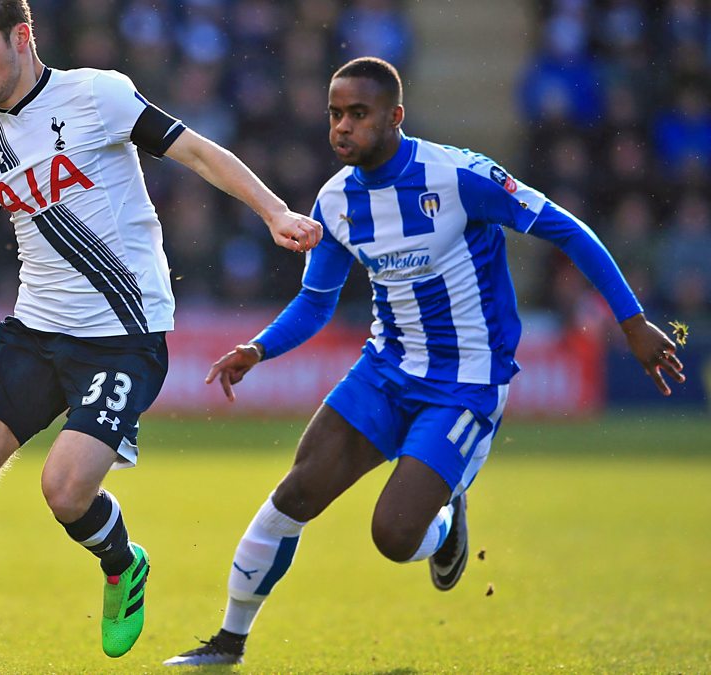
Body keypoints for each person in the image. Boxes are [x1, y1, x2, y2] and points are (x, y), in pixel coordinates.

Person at [163, 56, 685, 667]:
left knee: (392, 535)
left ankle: (444, 524)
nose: (342, 127)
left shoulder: (459, 176)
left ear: (395, 117)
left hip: (466, 381)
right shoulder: (336, 201)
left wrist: (632, 322)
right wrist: (258, 349)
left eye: (359, 114)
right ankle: (228, 643)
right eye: (335, 114)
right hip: (386, 369)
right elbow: (316, 302)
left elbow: (568, 231)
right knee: (294, 494)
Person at [0, 1, 322, 672]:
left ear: (21, 37)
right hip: (35, 332)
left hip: (124, 335)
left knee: (64, 491)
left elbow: (197, 152)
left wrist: (274, 211)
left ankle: (123, 563)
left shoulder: (97, 94)